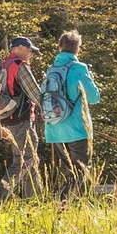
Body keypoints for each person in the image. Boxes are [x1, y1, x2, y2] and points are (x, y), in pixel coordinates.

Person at [42, 30, 100, 194]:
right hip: (77, 129)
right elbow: (94, 97)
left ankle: (64, 205)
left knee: (70, 173)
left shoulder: (51, 70)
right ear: (78, 48)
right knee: (83, 171)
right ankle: (77, 207)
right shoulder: (79, 68)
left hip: (55, 128)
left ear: (60, 47)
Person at [0, 35, 42, 199]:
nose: (31, 54)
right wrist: (52, 111)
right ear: (20, 49)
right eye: (30, 51)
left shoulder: (3, 65)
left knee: (30, 160)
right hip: (21, 119)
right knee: (25, 159)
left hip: (6, 119)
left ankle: (35, 200)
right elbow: (36, 94)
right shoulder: (19, 66)